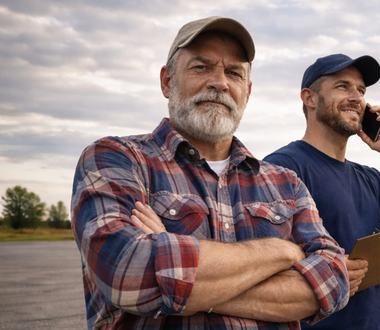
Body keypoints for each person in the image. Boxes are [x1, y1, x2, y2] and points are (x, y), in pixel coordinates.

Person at [70, 16, 348, 329]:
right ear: (167, 81)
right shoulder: (117, 159)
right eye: (201, 67)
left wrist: (173, 259)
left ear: (247, 91)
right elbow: (126, 272)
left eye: (234, 73)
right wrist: (283, 251)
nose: (220, 82)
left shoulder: (285, 183)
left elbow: (334, 281)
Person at [264, 54, 380, 329]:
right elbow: (266, 265)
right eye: (343, 86)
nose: (356, 97)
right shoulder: (280, 169)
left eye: (361, 90)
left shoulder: (372, 179)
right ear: (309, 98)